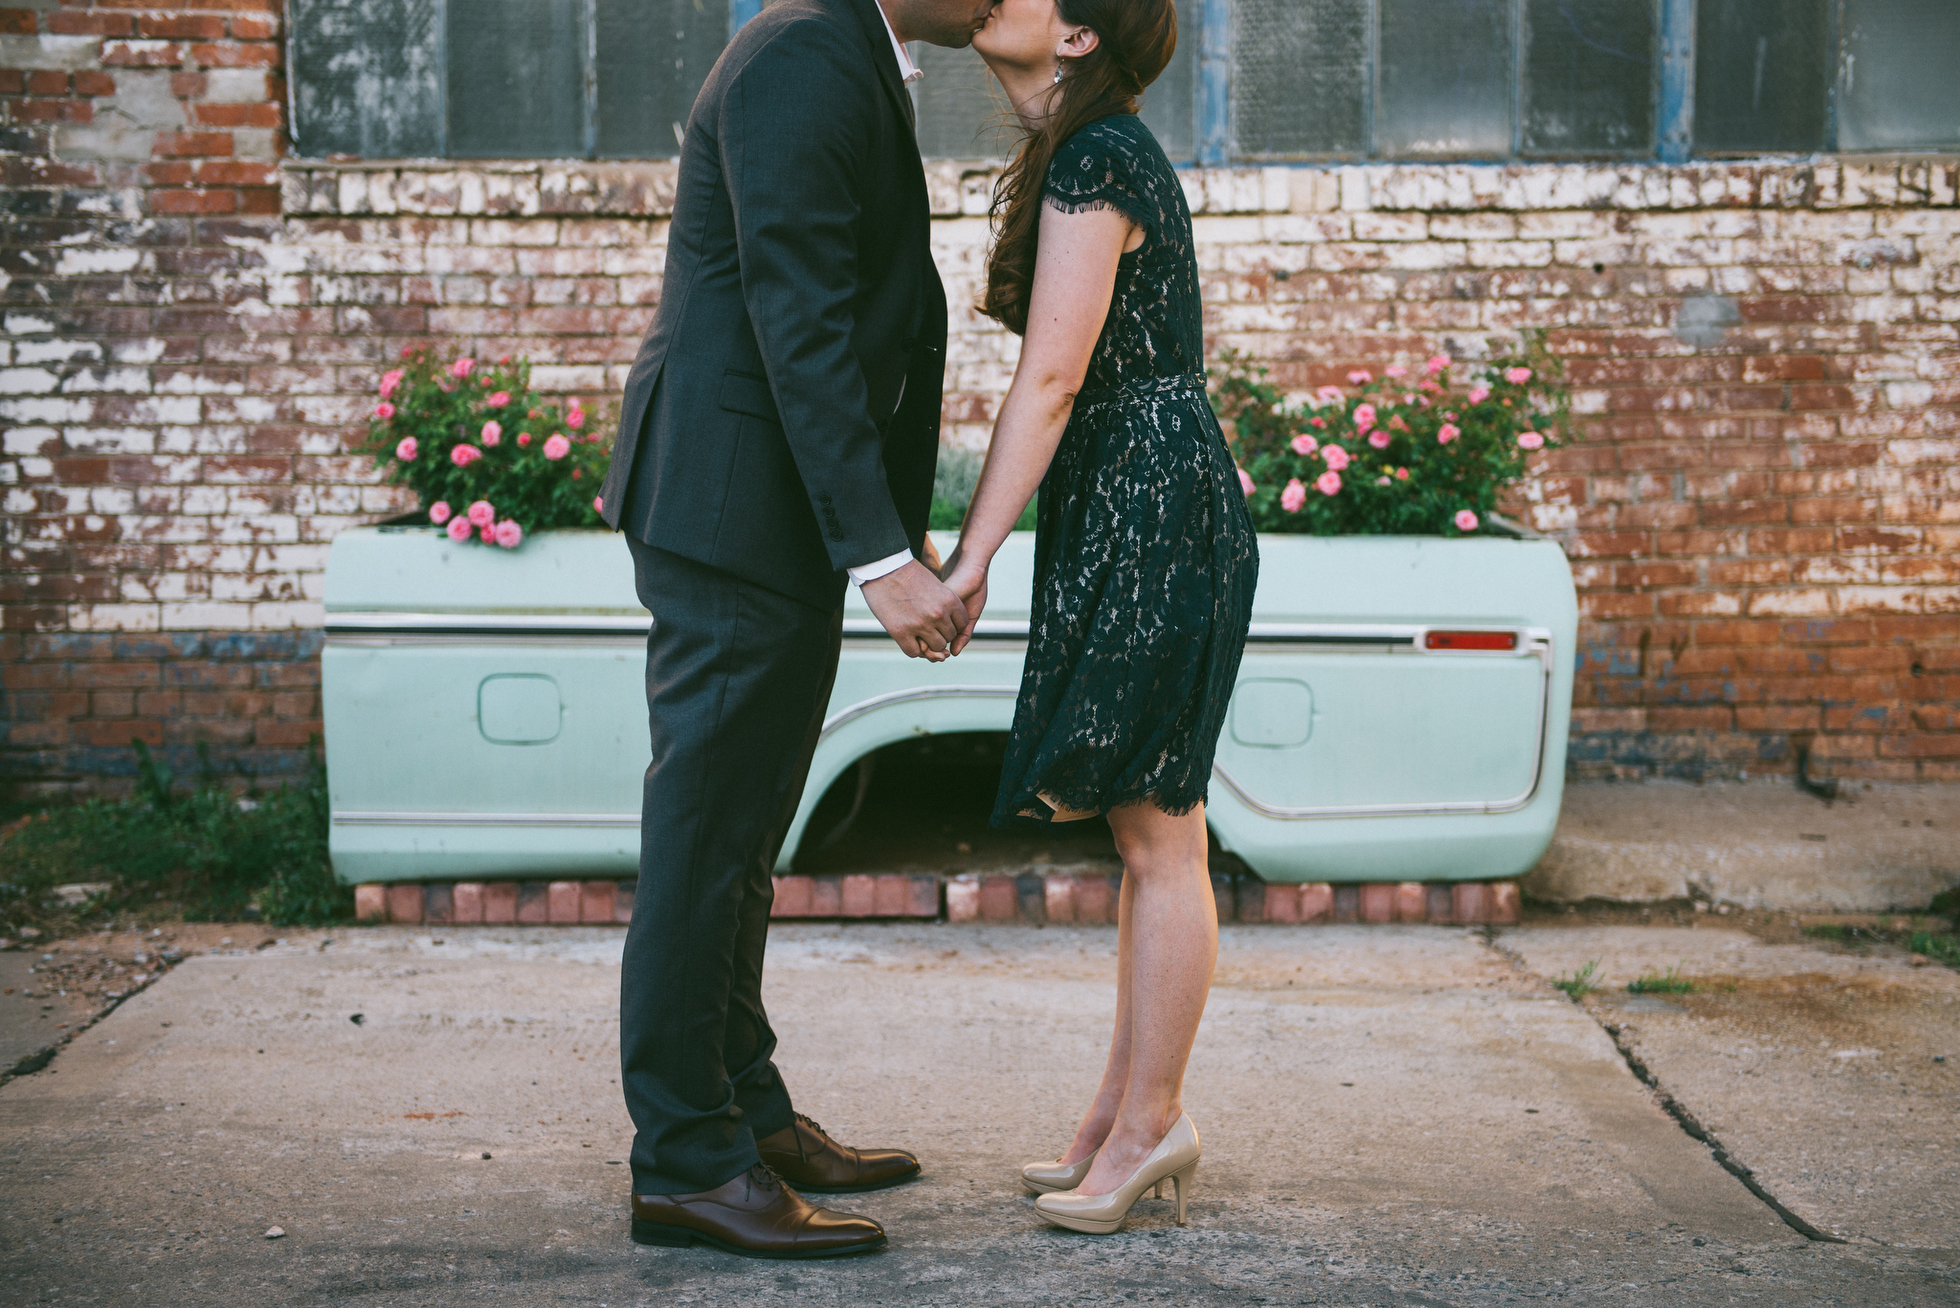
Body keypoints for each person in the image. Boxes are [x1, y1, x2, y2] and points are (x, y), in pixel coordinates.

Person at [594, 0, 997, 1260]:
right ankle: (685, 1159)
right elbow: (796, 316)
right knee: (708, 832)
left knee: (746, 828)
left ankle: (743, 1111)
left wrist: (878, 531)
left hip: (760, 511)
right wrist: (880, 556)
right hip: (730, 510)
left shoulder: (835, 51)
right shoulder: (800, 56)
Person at [942, 0, 1256, 1235]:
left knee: (1159, 834)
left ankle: (1149, 1123)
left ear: (1076, 36)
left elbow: (1056, 375)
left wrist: (969, 557)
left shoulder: (1099, 155)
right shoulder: (1089, 149)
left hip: (1149, 502)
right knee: (1145, 830)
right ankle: (1116, 1119)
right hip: (1139, 496)